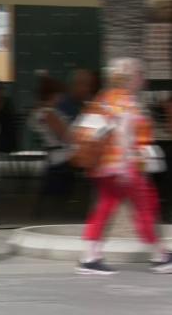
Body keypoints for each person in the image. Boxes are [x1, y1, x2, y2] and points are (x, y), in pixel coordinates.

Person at [78, 57, 171, 275]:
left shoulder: (104, 99)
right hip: (122, 169)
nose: (142, 79)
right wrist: (127, 169)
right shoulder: (125, 103)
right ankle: (160, 255)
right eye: (139, 75)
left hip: (104, 168)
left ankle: (90, 256)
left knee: (106, 207)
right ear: (129, 78)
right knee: (146, 206)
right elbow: (125, 139)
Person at [29, 76, 74, 210]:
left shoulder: (38, 112)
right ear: (54, 95)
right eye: (60, 94)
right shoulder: (49, 114)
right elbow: (66, 137)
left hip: (54, 156)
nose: (61, 98)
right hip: (63, 156)